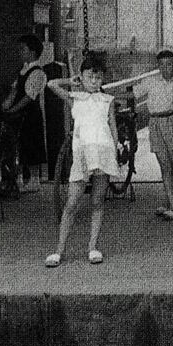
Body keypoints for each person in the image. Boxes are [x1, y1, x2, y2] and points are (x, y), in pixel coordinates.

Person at [44, 54, 120, 267]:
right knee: (71, 203)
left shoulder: (108, 100)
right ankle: (59, 250)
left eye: (98, 77)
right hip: (82, 154)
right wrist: (70, 81)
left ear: (103, 78)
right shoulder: (75, 98)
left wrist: (115, 151)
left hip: (103, 152)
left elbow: (113, 128)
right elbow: (51, 84)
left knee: (97, 201)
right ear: (82, 77)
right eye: (89, 77)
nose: (94, 81)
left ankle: (93, 247)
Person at [138, 49, 173, 219]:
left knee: (171, 163)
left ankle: (167, 201)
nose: (165, 68)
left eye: (169, 65)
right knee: (164, 165)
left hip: (171, 122)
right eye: (162, 65)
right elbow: (134, 92)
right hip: (155, 122)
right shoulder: (150, 82)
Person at [2, 33, 48, 185]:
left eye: (23, 49)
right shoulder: (23, 70)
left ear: (32, 52)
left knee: (32, 145)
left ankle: (34, 180)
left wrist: (13, 109)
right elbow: (15, 90)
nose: (19, 52)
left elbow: (29, 97)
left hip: (30, 114)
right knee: (19, 146)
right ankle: (19, 179)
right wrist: (6, 105)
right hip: (18, 114)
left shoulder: (38, 72)